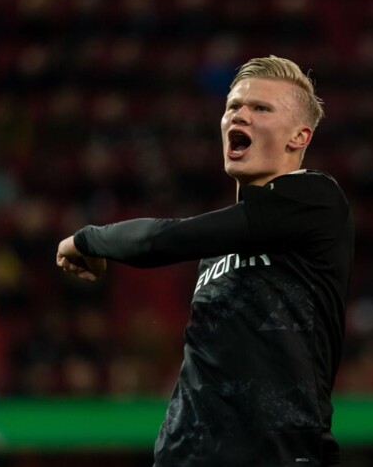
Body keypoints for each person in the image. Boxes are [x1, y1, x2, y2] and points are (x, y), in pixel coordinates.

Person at [56, 55, 354, 467]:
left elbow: (163, 240)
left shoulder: (317, 200)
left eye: (261, 108)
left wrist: (88, 239)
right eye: (234, 106)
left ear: (299, 137)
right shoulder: (218, 248)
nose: (240, 115)